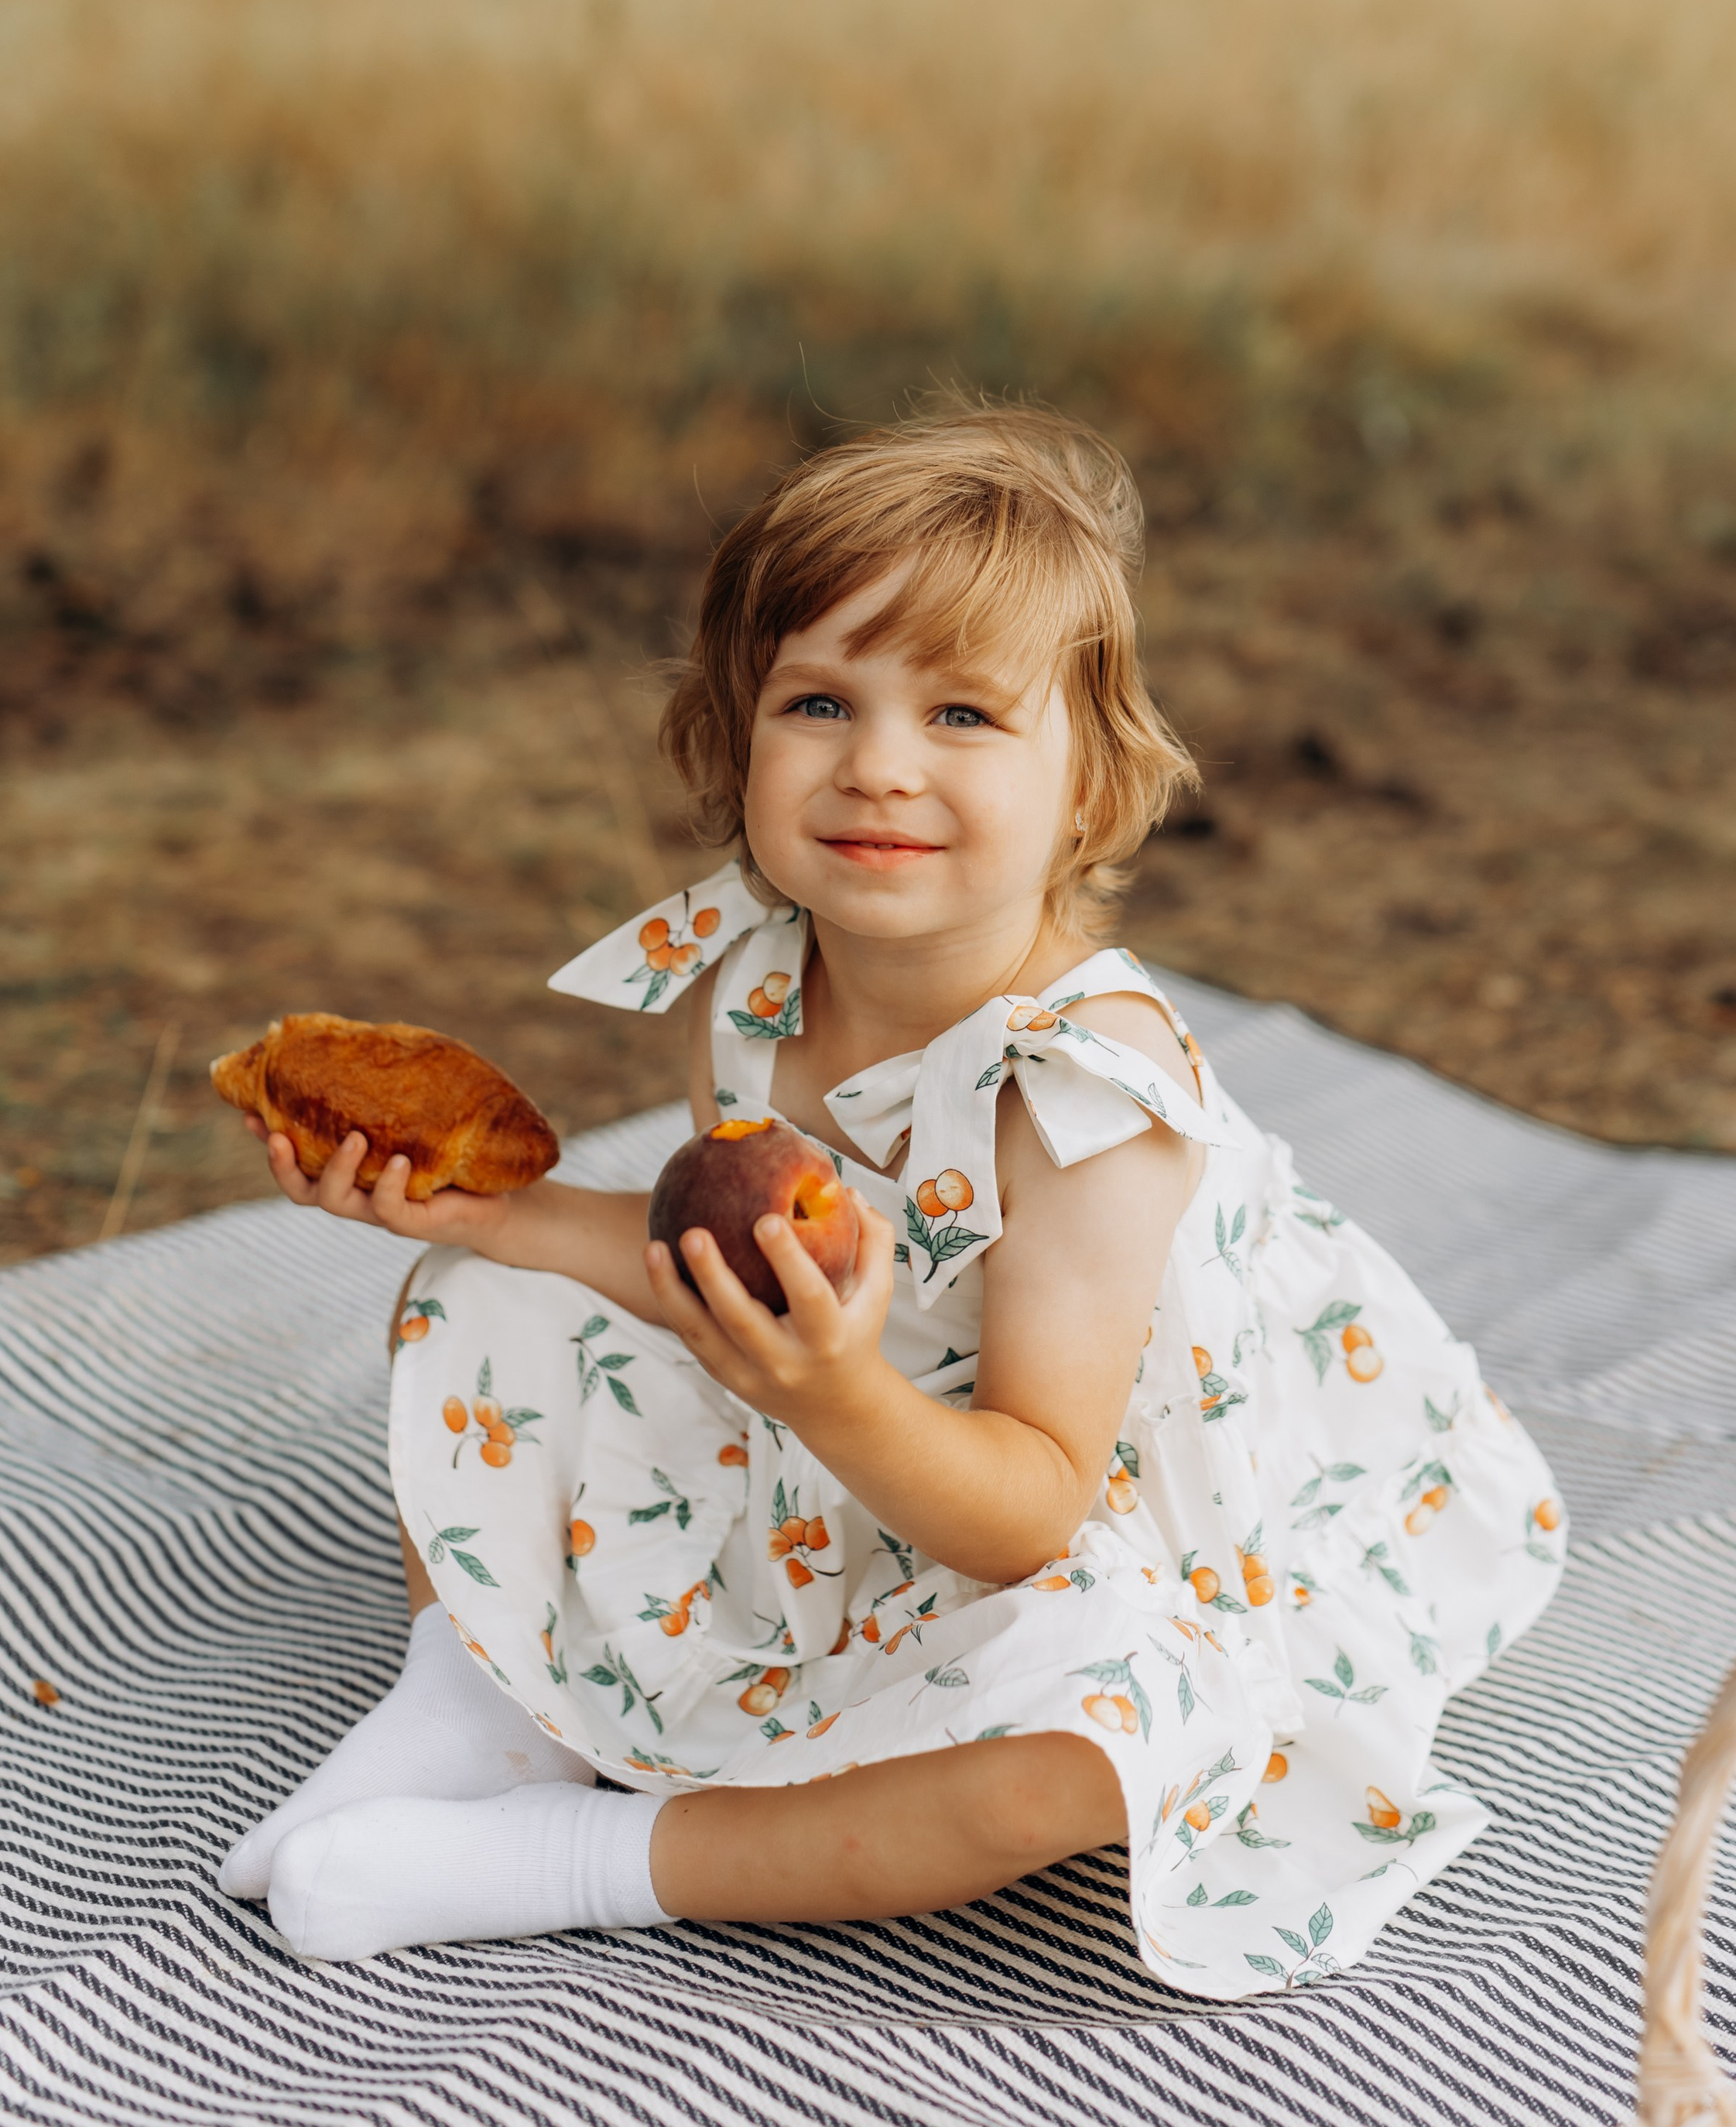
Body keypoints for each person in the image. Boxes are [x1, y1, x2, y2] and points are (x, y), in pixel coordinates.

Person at [217, 402, 1565, 1997]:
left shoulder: (1087, 1098)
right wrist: (492, 1226)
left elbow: (1033, 1510)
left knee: (1090, 1744)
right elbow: (723, 1270)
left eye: (962, 714)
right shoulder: (753, 974)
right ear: (734, 739)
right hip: (859, 1416)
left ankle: (583, 1857)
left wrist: (834, 1395)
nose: (877, 766)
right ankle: (474, 1707)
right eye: (817, 702)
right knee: (481, 1300)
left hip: (1093, 1494)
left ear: (1089, 788)